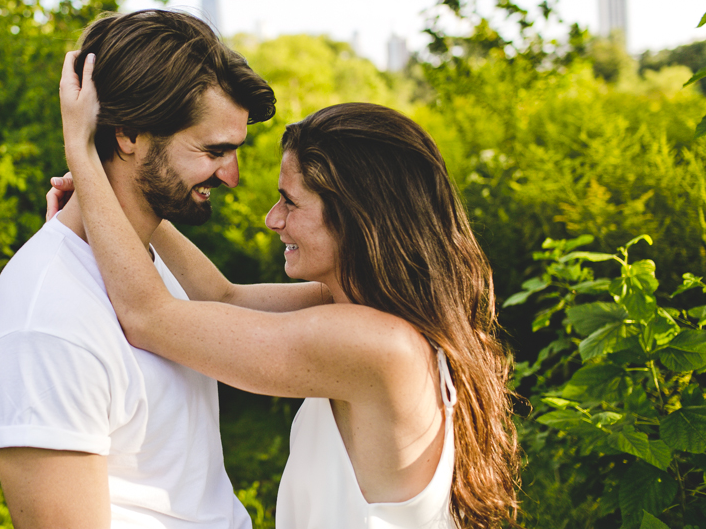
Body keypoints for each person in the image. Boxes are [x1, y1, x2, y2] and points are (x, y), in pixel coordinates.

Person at [57, 53, 521, 528]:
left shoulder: (373, 344)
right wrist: (112, 200)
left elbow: (148, 317)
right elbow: (221, 299)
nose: (272, 219)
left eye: (290, 202)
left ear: (359, 218)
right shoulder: (364, 308)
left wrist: (84, 151)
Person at [0, 10, 314, 529]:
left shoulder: (147, 260)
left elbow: (226, 302)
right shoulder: (44, 322)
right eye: (213, 150)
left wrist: (91, 183)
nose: (233, 176)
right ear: (128, 133)